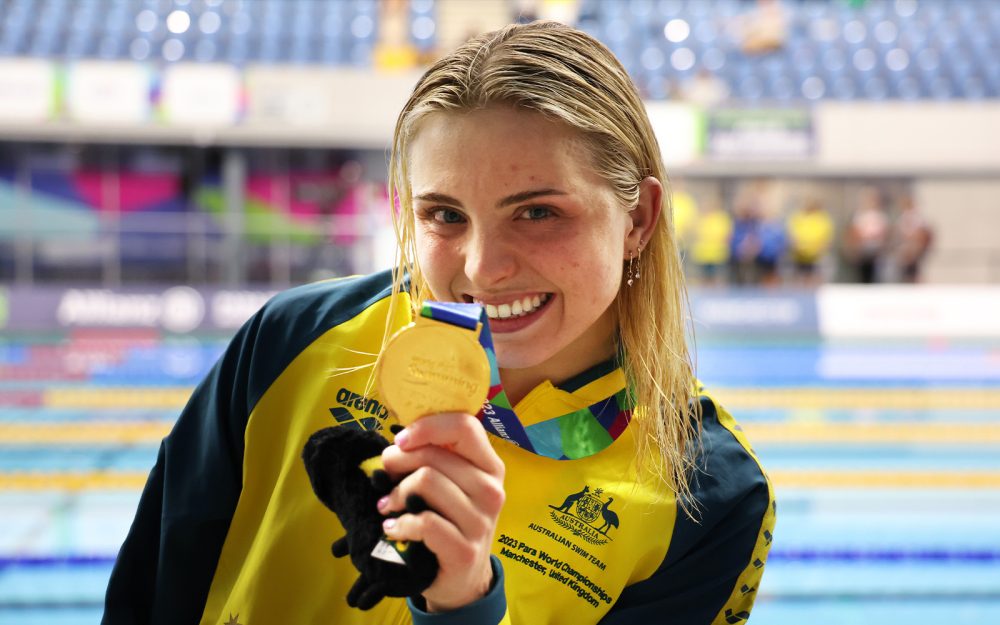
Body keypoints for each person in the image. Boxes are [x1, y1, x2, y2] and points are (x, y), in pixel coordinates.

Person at [103, 22, 775, 625]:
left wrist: (465, 606)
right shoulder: (295, 340)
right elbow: (151, 594)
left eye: (538, 212)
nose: (483, 268)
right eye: (446, 215)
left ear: (638, 219)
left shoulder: (707, 491)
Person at [787, 197, 835, 287]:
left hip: (817, 258)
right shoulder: (798, 217)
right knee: (797, 284)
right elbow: (792, 236)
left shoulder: (823, 219)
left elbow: (827, 239)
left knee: (814, 283)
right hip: (799, 257)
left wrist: (818, 249)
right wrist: (798, 246)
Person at [892, 193, 933, 283]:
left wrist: (914, 240)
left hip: (916, 248)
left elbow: (922, 233)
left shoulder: (918, 218)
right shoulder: (902, 218)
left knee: (915, 271)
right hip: (906, 248)